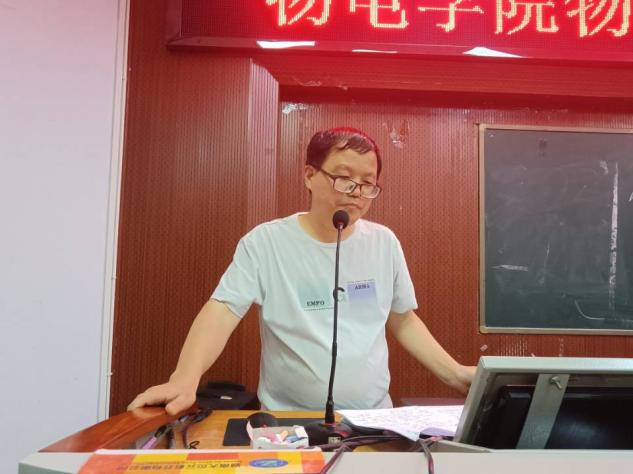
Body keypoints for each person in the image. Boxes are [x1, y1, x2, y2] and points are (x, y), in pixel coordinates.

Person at [128, 127, 475, 415]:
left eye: (367, 183)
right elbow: (223, 310)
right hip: (286, 422)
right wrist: (184, 378)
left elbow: (403, 319)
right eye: (344, 178)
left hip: (371, 419)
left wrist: (455, 374)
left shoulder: (383, 243)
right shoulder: (266, 242)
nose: (356, 193)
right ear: (310, 176)